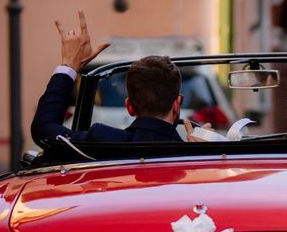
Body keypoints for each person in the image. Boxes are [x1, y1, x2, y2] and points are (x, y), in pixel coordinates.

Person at [31, 10, 191, 146]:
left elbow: (44, 129)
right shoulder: (201, 154)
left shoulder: (103, 139)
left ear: (129, 107)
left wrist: (69, 65)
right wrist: (203, 147)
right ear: (177, 104)